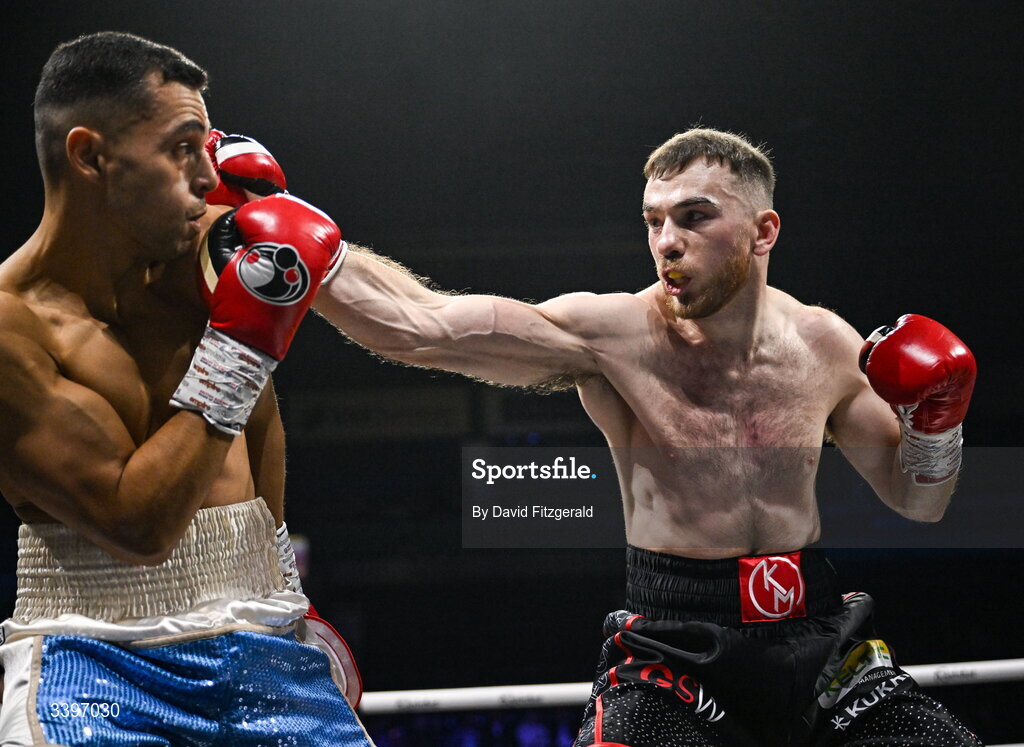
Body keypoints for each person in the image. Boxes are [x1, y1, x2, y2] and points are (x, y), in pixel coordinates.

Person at [311, 128, 980, 744]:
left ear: (763, 231)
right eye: (654, 220)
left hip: (821, 645)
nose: (666, 241)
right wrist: (314, 253)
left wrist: (936, 425)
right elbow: (419, 327)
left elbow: (919, 501)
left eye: (693, 217)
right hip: (676, 653)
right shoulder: (611, 337)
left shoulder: (826, 343)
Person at [0, 32, 373, 746]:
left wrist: (280, 582)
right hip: (98, 664)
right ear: (90, 156)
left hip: (265, 640)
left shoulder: (199, 249)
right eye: (182, 147)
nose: (207, 176)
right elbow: (138, 521)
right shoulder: (12, 328)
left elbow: (261, 414)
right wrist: (241, 342)